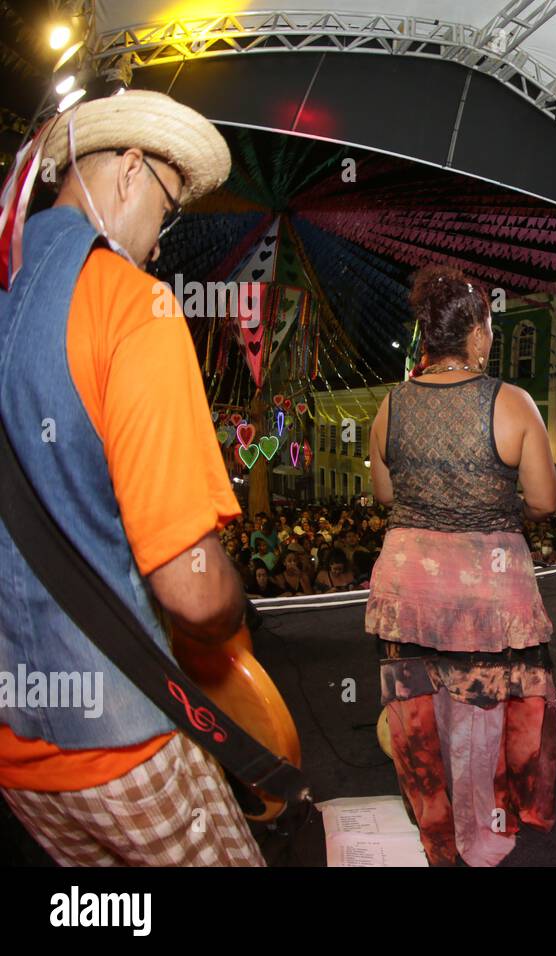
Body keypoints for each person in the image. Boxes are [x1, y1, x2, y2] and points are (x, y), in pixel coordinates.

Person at [0, 91, 264, 865]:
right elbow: (191, 589)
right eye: (168, 212)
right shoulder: (131, 306)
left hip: (17, 753)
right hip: (120, 741)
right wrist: (233, 609)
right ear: (129, 172)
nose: (158, 246)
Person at [365, 263, 556, 866]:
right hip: (485, 591)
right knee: (478, 724)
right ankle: (482, 840)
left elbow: (385, 497)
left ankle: (437, 837)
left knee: (420, 723)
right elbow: (546, 502)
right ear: (477, 333)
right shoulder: (511, 402)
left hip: (410, 585)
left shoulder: (388, 407)